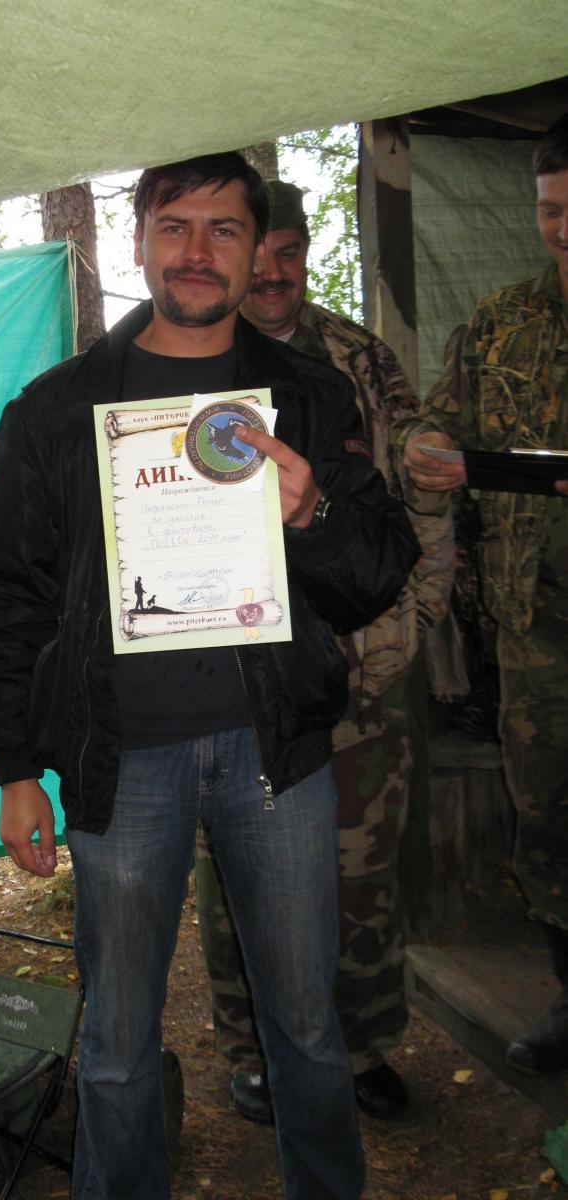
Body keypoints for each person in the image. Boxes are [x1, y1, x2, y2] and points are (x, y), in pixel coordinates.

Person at [0, 151, 420, 1200]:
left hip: (278, 756)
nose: (198, 251)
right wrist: (16, 767)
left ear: (257, 250)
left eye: (224, 229)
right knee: (117, 1041)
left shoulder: (309, 395)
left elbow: (377, 573)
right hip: (122, 765)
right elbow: (7, 597)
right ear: (138, 243)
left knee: (307, 1026)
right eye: (175, 227)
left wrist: (313, 512)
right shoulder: (54, 412)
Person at [193, 180, 455, 1124]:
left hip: (356, 669)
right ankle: (254, 1049)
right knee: (236, 879)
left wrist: (414, 615)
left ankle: (364, 1046)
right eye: (258, 251)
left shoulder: (358, 357)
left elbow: (419, 471)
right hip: (238, 675)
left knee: (362, 874)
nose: (273, 272)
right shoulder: (189, 358)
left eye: (290, 252)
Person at [396, 114, 568, 1076]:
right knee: (546, 812)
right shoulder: (505, 320)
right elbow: (435, 419)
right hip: (539, 625)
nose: (564, 231)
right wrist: (423, 446)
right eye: (550, 210)